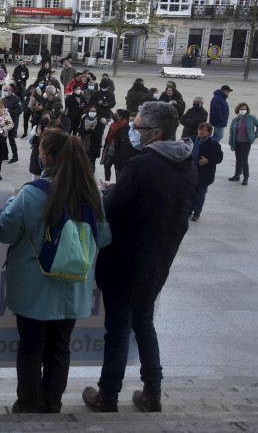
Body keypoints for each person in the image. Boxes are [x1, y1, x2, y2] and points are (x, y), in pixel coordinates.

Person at [82, 101, 198, 414]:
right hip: (158, 261)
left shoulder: (142, 165)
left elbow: (114, 211)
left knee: (118, 329)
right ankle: (152, 392)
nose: (133, 132)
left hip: (127, 260)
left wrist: (107, 193)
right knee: (144, 323)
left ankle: (107, 395)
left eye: (138, 128)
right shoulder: (186, 163)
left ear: (156, 133)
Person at [0, 129, 111, 413]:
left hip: (33, 288)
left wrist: (12, 199)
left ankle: (28, 404)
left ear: (45, 159)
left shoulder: (30, 193)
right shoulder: (92, 193)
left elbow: (4, 232)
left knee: (31, 348)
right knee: (60, 348)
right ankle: (52, 404)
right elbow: (104, 238)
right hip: (73, 288)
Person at [190, 123, 223, 221]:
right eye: (199, 129)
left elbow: (219, 158)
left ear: (208, 132)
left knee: (200, 194)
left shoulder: (213, 144)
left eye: (203, 130)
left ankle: (197, 213)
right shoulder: (191, 140)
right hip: (191, 172)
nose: (200, 131)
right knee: (190, 193)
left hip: (204, 174)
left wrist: (208, 160)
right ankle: (188, 210)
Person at [227, 102, 258, 186]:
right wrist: (231, 143)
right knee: (238, 159)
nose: (243, 110)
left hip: (246, 142)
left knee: (244, 160)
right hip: (237, 143)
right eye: (241, 109)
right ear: (238, 110)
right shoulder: (235, 120)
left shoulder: (251, 118)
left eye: (244, 109)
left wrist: (255, 135)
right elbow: (232, 132)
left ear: (247, 110)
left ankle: (246, 178)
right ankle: (237, 175)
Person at [78, 105, 105, 170]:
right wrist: (86, 131)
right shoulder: (84, 119)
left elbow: (99, 135)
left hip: (94, 146)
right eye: (90, 111)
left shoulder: (100, 121)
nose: (92, 112)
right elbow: (80, 130)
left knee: (91, 164)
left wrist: (89, 130)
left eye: (93, 111)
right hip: (83, 144)